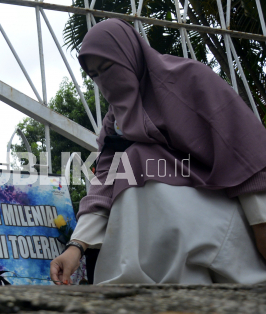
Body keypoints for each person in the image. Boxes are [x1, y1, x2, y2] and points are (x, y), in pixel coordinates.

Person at [50, 19, 266, 284]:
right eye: (94, 75)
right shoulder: (115, 123)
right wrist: (76, 246)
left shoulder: (189, 81)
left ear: (129, 55)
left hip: (220, 228)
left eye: (108, 67)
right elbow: (104, 183)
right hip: (157, 246)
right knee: (132, 162)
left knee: (139, 159)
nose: (104, 81)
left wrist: (261, 222)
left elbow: (242, 151)